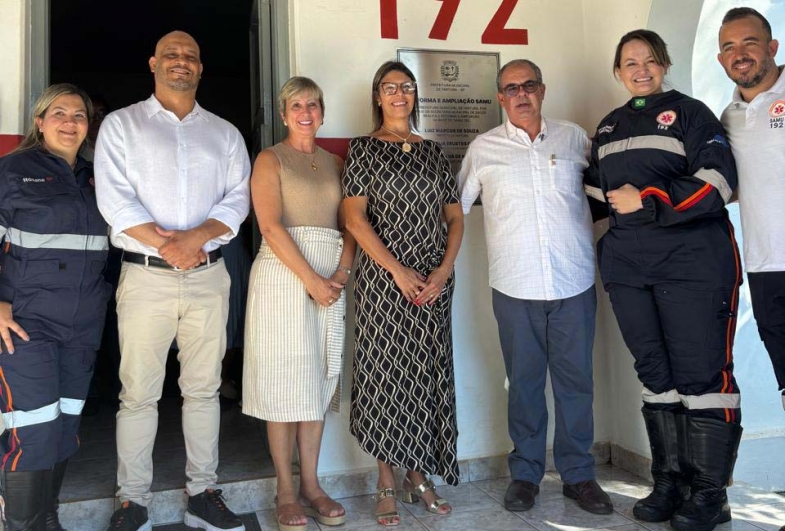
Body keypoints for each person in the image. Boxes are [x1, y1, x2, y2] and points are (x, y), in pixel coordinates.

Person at [584, 29, 742, 531]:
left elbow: (719, 181)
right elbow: (590, 196)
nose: (640, 69)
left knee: (701, 377)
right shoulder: (607, 128)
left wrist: (650, 198)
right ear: (617, 71)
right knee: (656, 375)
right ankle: (670, 483)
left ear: (664, 64)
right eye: (629, 62)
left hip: (693, 264)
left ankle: (709, 495)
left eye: (649, 60)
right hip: (629, 270)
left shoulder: (693, 113)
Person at [94, 31, 250, 531]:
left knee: (203, 391)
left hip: (208, 277)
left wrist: (197, 238)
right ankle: (131, 502)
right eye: (171, 55)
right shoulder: (122, 125)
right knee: (138, 393)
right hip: (146, 279)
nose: (181, 62)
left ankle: (203, 493)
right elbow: (114, 202)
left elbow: (237, 200)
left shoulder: (224, 133)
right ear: (153, 63)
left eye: (190, 56)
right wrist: (169, 245)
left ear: (201, 68)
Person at [458, 59, 613, 516]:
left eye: (529, 85)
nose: (521, 94)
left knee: (575, 384)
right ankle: (525, 475)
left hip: (574, 282)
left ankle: (578, 475)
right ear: (500, 98)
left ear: (542, 90)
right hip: (514, 284)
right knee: (523, 385)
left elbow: (605, 199)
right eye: (511, 88)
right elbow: (455, 210)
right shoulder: (483, 149)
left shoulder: (575, 139)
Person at [342, 60, 464, 526]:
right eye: (390, 87)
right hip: (383, 283)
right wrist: (396, 271)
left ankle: (419, 476)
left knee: (425, 376)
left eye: (407, 87)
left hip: (433, 284)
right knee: (386, 376)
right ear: (377, 96)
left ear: (415, 96)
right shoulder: (363, 150)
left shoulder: (434, 152)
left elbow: (455, 218)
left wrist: (443, 271)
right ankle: (386, 481)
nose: (399, 94)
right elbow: (355, 219)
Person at [242, 76, 355, 531]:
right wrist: (310, 278)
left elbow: (352, 225)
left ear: (322, 112)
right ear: (284, 113)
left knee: (318, 380)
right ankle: (285, 490)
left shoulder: (336, 162)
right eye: (295, 105)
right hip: (284, 276)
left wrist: (339, 276)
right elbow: (269, 226)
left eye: (313, 104)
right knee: (283, 382)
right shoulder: (270, 159)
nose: (305, 112)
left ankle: (312, 484)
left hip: (330, 278)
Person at [0, 83, 110, 531]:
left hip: (83, 325)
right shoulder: (11, 170)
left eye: (79, 115)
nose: (70, 123)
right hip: (26, 323)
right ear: (40, 121)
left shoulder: (97, 176)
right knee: (32, 428)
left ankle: (48, 519)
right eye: (59, 114)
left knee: (65, 426)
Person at [718, 7, 785, 411]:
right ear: (721, 59)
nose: (739, 53)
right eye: (729, 47)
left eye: (749, 42)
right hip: (766, 269)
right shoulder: (729, 119)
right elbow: (726, 186)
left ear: (772, 47)